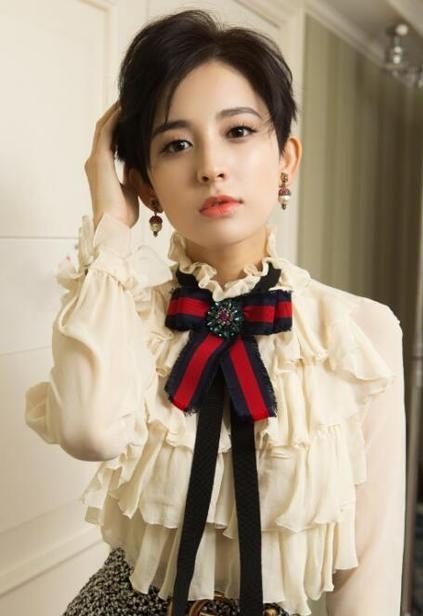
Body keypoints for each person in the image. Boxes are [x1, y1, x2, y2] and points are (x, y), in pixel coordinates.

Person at [25, 9, 406, 616]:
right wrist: (110, 224)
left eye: (239, 131)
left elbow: (369, 575)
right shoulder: (123, 314)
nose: (210, 166)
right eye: (176, 144)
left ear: (286, 159)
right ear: (146, 184)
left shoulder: (357, 334)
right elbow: (87, 432)